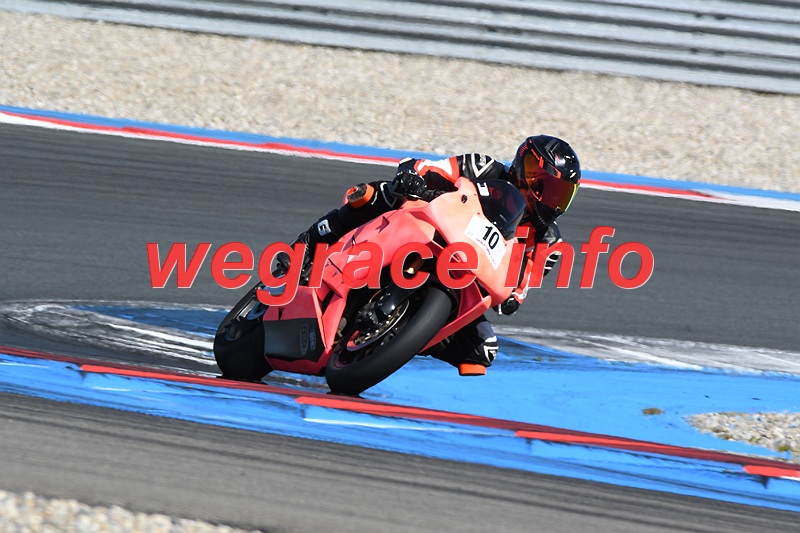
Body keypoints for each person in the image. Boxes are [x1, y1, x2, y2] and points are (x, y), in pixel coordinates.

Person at [280, 135, 581, 374]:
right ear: (527, 170)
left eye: (560, 195)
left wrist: (512, 293)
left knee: (483, 349)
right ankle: (307, 245)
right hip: (429, 227)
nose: (549, 200)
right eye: (546, 187)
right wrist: (414, 176)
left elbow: (516, 294)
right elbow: (429, 168)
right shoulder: (483, 168)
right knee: (378, 194)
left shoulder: (548, 241)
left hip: (464, 277)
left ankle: (401, 338)